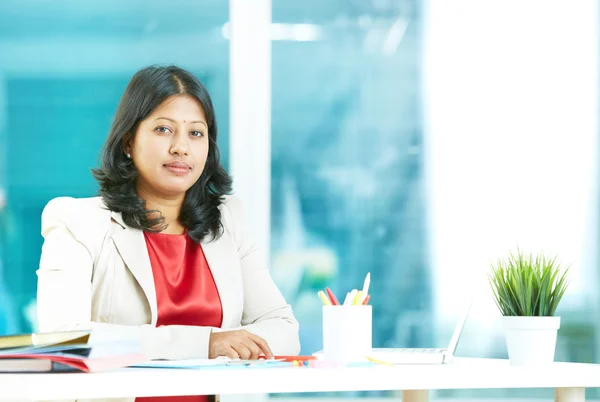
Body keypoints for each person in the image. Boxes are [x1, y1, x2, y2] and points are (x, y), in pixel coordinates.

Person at [36, 65, 300, 402]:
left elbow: (283, 329)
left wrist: (224, 343)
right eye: (163, 129)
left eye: (196, 133)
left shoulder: (229, 220)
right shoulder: (77, 220)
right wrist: (206, 343)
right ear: (129, 140)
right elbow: (62, 337)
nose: (181, 148)